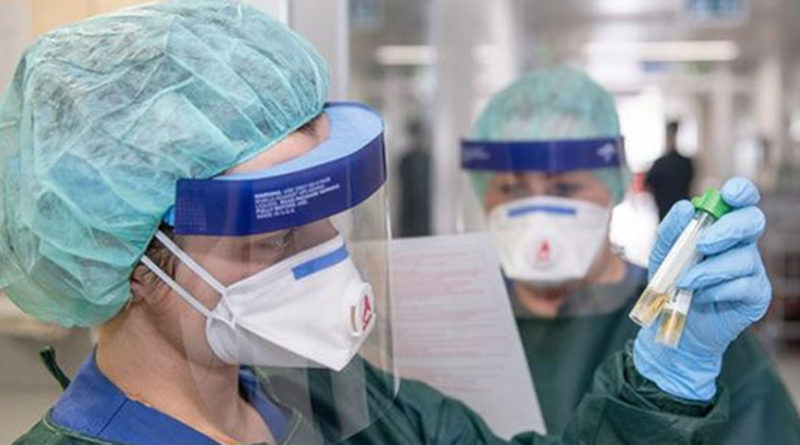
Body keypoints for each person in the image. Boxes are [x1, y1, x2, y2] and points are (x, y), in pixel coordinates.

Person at [0, 3, 771, 443]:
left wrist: (663, 375)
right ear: (132, 256)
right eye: (274, 230)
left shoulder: (333, 401)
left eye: (324, 213)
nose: (328, 254)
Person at [461, 67, 800, 444]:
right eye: (512, 189)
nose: (539, 214)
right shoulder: (457, 328)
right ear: (482, 192)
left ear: (615, 184)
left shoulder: (695, 334)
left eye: (566, 188)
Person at [646, 121, 695, 220]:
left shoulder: (661, 163)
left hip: (667, 206)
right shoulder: (685, 162)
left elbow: (649, 182)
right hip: (678, 207)